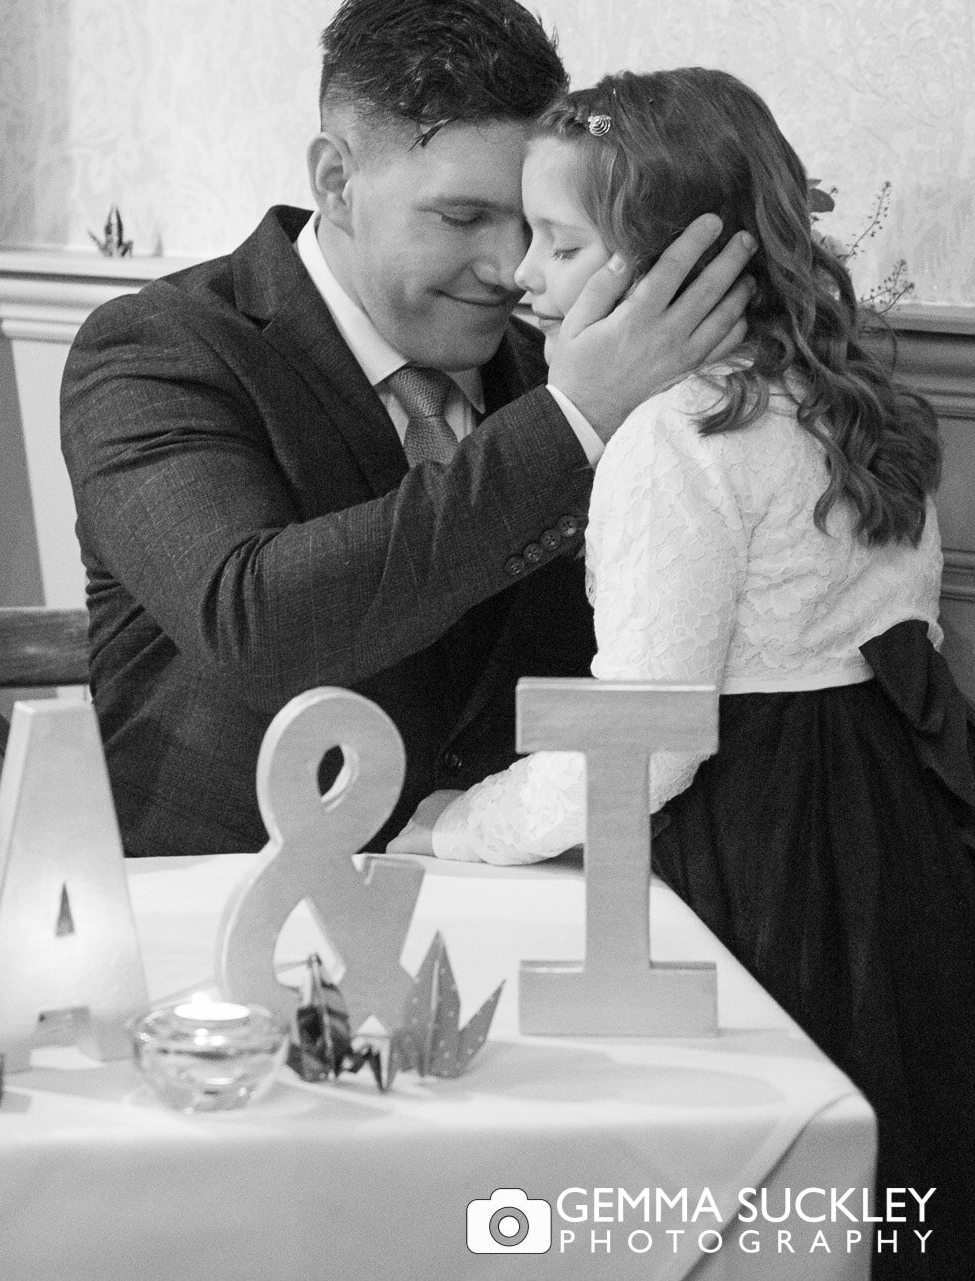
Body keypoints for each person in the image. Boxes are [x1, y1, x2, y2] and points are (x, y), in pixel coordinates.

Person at [389, 66, 975, 1279]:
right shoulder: (849, 401)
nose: (521, 275)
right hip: (888, 825)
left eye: (557, 243)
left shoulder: (672, 438)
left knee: (726, 1195)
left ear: (664, 265)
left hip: (750, 851)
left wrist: (461, 826)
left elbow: (646, 741)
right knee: (876, 1167)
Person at [59, 0, 751, 858]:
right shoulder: (160, 348)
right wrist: (572, 422)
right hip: (219, 911)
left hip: (523, 906)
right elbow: (253, 623)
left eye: (538, 226)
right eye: (464, 217)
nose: (511, 268)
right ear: (337, 180)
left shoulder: (570, 359)